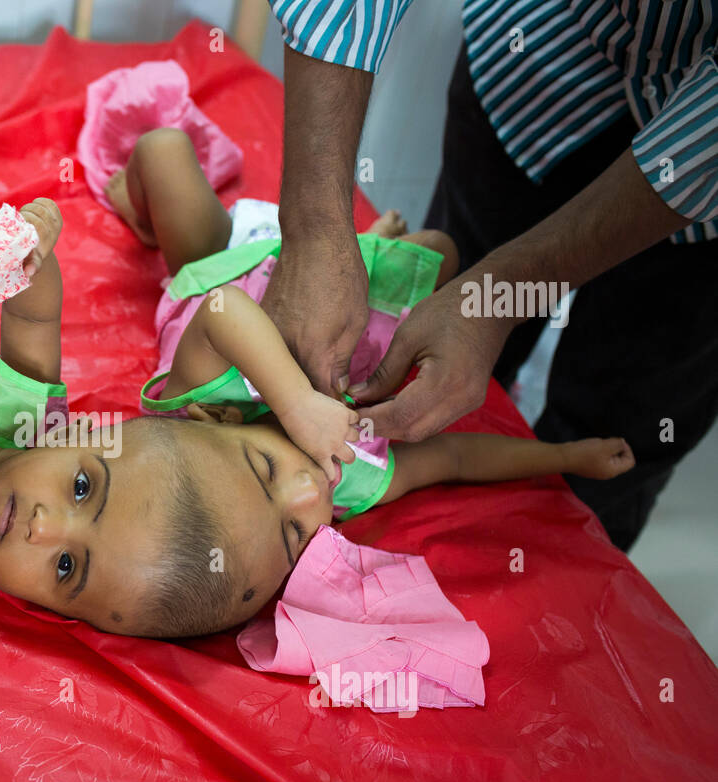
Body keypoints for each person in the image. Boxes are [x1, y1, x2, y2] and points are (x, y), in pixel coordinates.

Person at [0, 143, 634, 641]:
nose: (41, 527)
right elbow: (35, 317)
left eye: (68, 566)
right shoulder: (36, 422)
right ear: (106, 434)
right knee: (440, 246)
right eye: (80, 486)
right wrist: (26, 255)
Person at [261, 0, 718, 550]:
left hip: (700, 217)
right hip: (540, 62)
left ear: (202, 414)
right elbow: (451, 454)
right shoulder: (355, 489)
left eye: (262, 470)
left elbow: (224, 314)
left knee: (633, 396)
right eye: (291, 535)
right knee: (449, 319)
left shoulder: (210, 384)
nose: (308, 498)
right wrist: (564, 457)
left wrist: (315, 232)